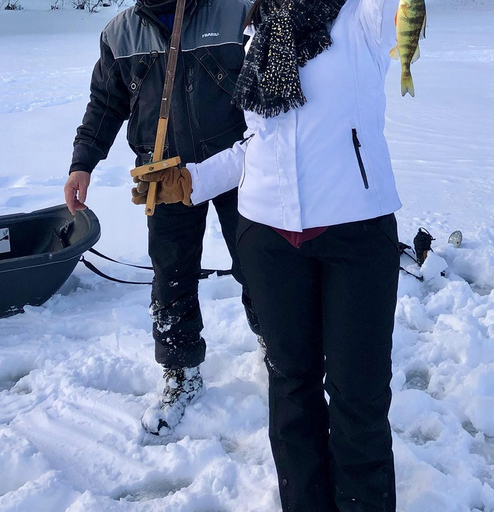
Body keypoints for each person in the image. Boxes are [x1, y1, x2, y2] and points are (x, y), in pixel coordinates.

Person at [148, 0, 403, 509]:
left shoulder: (363, 19)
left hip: (355, 235)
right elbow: (258, 141)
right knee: (291, 391)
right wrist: (191, 181)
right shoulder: (260, 33)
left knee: (358, 397)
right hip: (268, 239)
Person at [62, 0, 261, 437]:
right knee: (171, 276)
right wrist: (83, 163)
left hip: (237, 167)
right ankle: (181, 371)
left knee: (260, 265)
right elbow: (105, 104)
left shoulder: (235, 11)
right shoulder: (120, 34)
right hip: (164, 174)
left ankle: (278, 347)